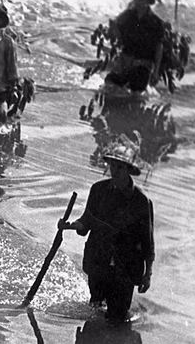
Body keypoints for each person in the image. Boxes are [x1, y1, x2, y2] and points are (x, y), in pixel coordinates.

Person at [58, 138, 154, 322]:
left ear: (128, 170)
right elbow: (86, 222)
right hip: (98, 260)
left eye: (120, 167)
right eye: (112, 166)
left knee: (118, 319)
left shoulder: (141, 201)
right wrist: (69, 225)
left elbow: (148, 242)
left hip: (126, 267)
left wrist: (147, 274)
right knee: (94, 311)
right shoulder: (98, 190)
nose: (115, 171)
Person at [104, 0, 166, 93]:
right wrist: (113, 27)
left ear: (147, 1)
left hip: (142, 67)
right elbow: (115, 30)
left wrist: (156, 72)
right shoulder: (128, 15)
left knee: (135, 92)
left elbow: (159, 48)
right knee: (109, 84)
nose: (135, 1)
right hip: (125, 62)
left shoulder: (156, 23)